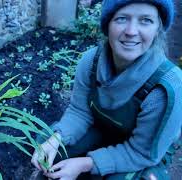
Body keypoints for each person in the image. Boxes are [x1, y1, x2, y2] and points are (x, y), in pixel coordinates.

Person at [31, 0, 182, 179]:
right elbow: (80, 112)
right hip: (103, 128)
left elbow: (142, 153)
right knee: (50, 143)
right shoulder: (90, 62)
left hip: (144, 154)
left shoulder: (165, 87)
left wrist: (85, 164)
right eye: (122, 19)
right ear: (107, 25)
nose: (131, 31)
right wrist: (57, 138)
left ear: (158, 29)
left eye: (146, 20)